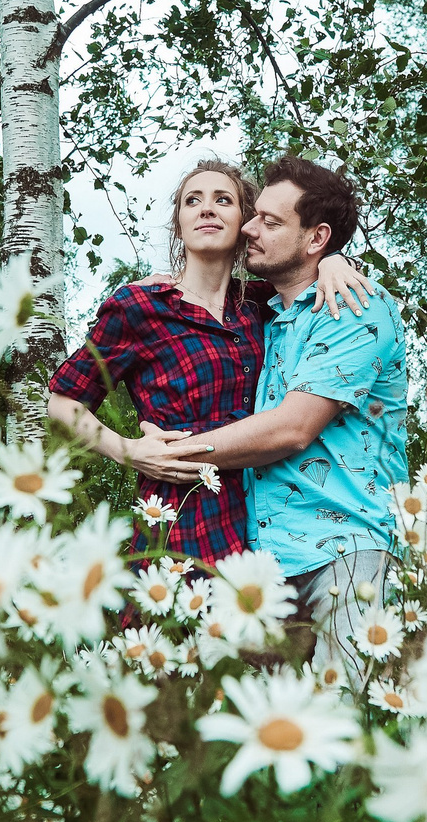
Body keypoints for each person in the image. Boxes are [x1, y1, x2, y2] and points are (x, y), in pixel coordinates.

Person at [129, 157, 407, 667]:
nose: (249, 229)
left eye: (270, 222)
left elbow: (293, 429)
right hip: (264, 562)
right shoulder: (266, 314)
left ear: (316, 238)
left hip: (348, 551)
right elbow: (205, 297)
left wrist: (166, 453)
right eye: (254, 215)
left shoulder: (355, 306)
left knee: (349, 717)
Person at [44, 158, 372, 565]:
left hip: (265, 516)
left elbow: (302, 265)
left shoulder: (262, 304)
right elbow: (62, 401)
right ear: (179, 225)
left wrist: (334, 261)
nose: (207, 208)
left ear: (245, 226)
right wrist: (128, 450)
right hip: (182, 504)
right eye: (192, 201)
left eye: (223, 200)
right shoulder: (140, 307)